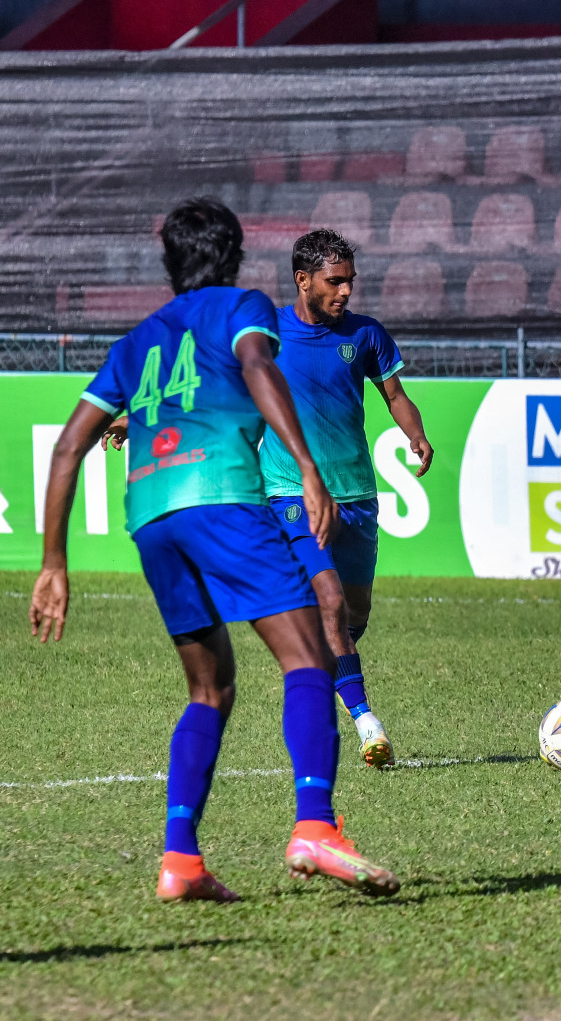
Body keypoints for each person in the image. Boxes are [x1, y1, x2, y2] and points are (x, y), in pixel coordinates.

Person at [32, 198, 401, 903]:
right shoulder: (243, 307)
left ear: (168, 258)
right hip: (222, 496)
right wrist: (308, 464)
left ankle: (182, 861)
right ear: (232, 252)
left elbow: (68, 444)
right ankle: (316, 826)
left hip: (150, 515)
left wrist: (54, 562)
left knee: (210, 688)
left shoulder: (135, 341)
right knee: (309, 656)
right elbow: (259, 365)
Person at [260, 229, 432, 768]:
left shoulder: (366, 334)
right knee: (330, 602)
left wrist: (415, 434)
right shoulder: (267, 335)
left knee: (356, 610)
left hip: (357, 493)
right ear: (303, 279)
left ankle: (325, 661)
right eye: (334, 282)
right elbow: (211, 392)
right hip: (291, 491)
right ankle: (367, 722)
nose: (344, 293)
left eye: (350, 283)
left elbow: (396, 396)